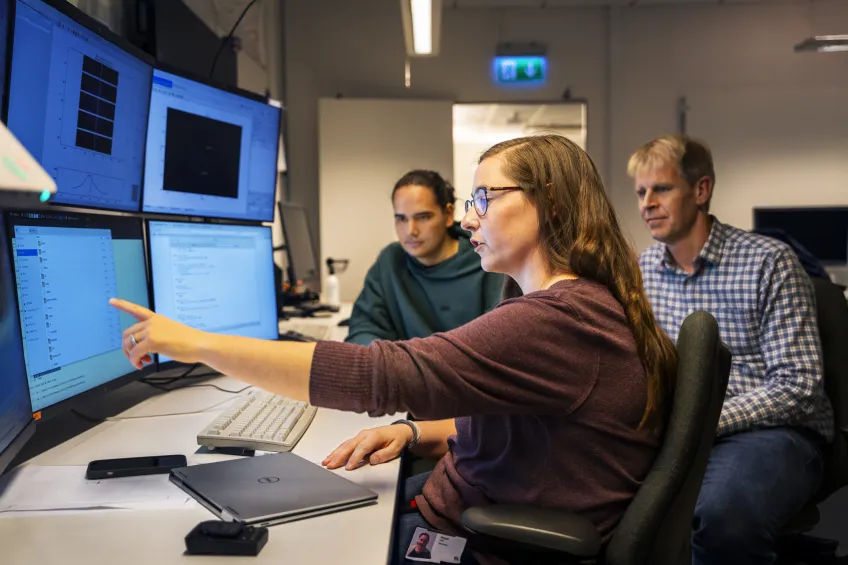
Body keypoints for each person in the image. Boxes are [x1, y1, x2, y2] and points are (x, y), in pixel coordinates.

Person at [111, 134, 677, 565]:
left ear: (548, 203)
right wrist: (413, 432)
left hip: (480, 539)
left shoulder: (555, 319)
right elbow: (522, 422)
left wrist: (195, 343)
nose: (468, 217)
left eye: (484, 197)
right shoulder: (578, 303)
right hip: (471, 504)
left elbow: (376, 376)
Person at [628, 134, 834, 565]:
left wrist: (702, 422)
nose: (647, 203)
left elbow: (799, 386)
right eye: (641, 192)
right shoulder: (643, 270)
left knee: (721, 517)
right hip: (682, 431)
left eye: (661, 188)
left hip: (771, 431)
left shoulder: (768, 262)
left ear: (701, 190)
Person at [345, 170, 503, 346]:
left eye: (423, 217)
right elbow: (364, 328)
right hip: (403, 363)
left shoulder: (488, 261)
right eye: (401, 219)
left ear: (448, 215)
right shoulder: (390, 261)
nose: (411, 231)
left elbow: (500, 341)